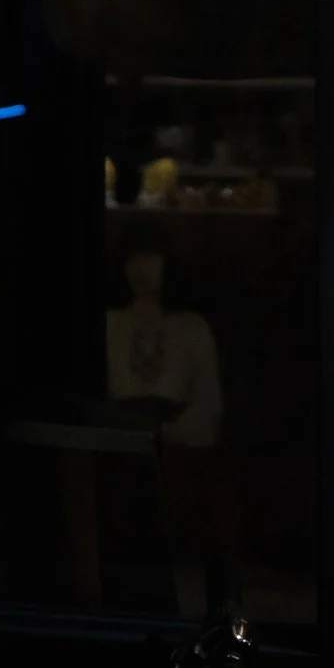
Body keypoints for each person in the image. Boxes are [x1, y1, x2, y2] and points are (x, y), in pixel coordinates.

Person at [105, 226, 237, 587]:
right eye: (134, 260)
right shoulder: (109, 324)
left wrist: (175, 430)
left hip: (174, 437)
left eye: (151, 258)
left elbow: (208, 397)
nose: (142, 269)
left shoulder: (192, 328)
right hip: (120, 434)